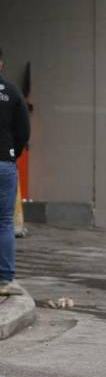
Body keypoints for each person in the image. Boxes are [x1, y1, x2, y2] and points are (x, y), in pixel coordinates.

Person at [0, 47, 30, 295]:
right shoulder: (11, 91)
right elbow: (24, 130)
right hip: (4, 163)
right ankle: (6, 279)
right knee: (4, 222)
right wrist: (14, 153)